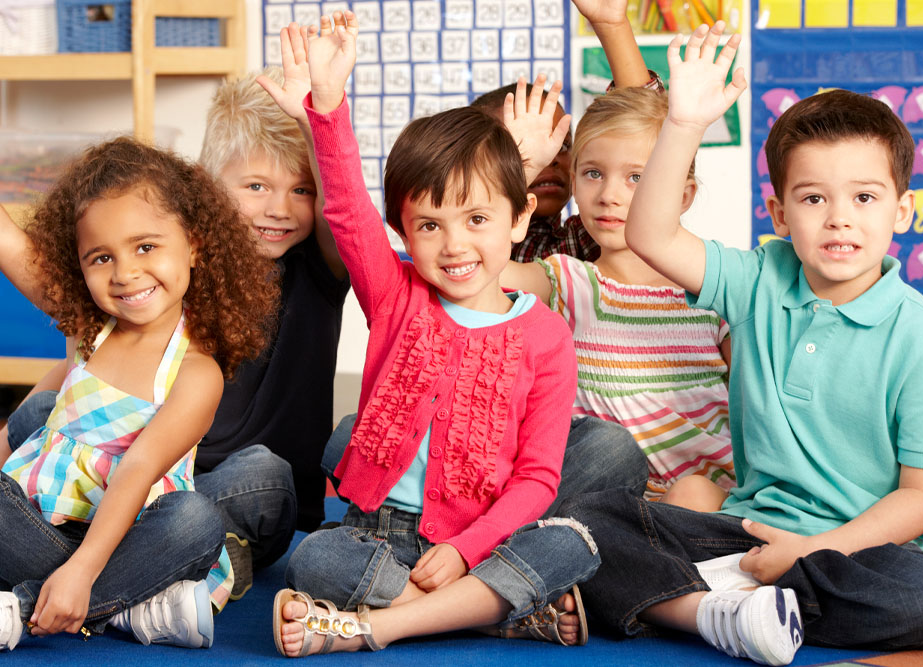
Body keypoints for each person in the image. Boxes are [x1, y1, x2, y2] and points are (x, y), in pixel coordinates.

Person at [562, 22, 923, 666]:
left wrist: (816, 551)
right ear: (778, 212)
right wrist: (683, 123)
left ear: (901, 212)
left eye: (865, 198)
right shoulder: (756, 279)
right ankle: (720, 608)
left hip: (861, 551)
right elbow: (652, 235)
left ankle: (696, 604)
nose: (839, 218)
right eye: (813, 198)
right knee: (588, 525)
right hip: (742, 533)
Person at [260, 15, 601, 657]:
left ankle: (377, 624)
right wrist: (327, 106)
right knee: (314, 561)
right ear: (404, 232)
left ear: (521, 216)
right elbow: (345, 210)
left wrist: (464, 549)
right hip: (378, 535)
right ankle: (489, 614)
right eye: (429, 224)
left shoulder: (547, 336)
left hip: (484, 538)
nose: (455, 245)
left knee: (572, 544)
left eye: (477, 218)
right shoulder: (395, 294)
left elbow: (535, 481)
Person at [0, 65, 351, 602]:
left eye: (301, 190)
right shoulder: (160, 272)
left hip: (218, 497)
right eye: (256, 186)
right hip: (133, 477)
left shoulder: (320, 270)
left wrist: (316, 118)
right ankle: (128, 582)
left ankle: (85, 577)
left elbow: (342, 211)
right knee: (34, 419)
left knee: (264, 475)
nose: (279, 207)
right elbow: (77, 363)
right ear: (205, 190)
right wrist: (2, 444)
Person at [0, 137, 276, 660]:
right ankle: (127, 609)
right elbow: (2, 237)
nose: (125, 273)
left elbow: (138, 469)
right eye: (102, 257)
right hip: (44, 529)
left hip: (132, 540)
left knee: (196, 520)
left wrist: (82, 571)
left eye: (146, 246)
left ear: (193, 244)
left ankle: (21, 612)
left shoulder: (196, 372)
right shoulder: (89, 326)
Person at [501, 84, 735, 512]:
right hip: (607, 500)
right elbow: (484, 266)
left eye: (636, 177)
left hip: (707, 502)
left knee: (694, 495)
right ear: (573, 181)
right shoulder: (566, 281)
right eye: (593, 173)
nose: (609, 194)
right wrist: (520, 171)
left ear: (681, 195)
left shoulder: (716, 292)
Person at [470, 0, 659, 263]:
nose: (551, 158)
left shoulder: (585, 241)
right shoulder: (465, 245)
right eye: (523, 146)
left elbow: (645, 128)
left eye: (564, 145)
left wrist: (613, 27)